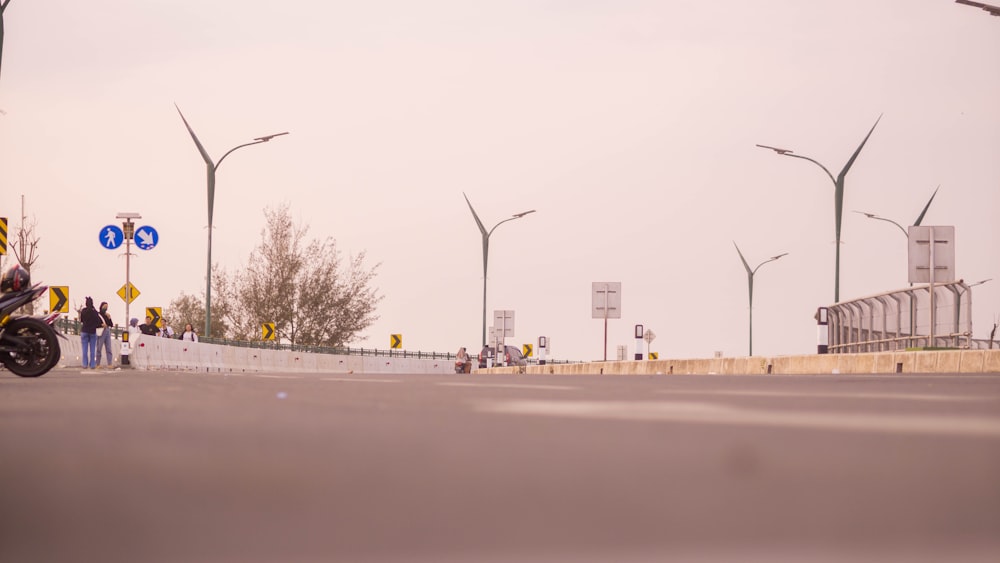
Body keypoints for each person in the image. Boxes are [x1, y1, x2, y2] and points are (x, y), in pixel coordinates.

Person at [79, 297, 101, 369]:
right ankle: (92, 365)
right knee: (92, 350)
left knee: (84, 349)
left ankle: (85, 364)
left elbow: (81, 320)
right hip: (92, 332)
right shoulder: (94, 312)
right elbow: (98, 322)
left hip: (84, 331)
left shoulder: (84, 311)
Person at [95, 301, 114, 368]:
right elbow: (95, 324)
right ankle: (97, 363)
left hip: (107, 331)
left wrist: (109, 318)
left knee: (108, 348)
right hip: (101, 331)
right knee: (99, 348)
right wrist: (101, 325)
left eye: (107, 307)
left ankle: (110, 363)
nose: (105, 308)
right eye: (104, 307)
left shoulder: (107, 315)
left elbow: (111, 325)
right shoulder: (97, 315)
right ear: (101, 306)